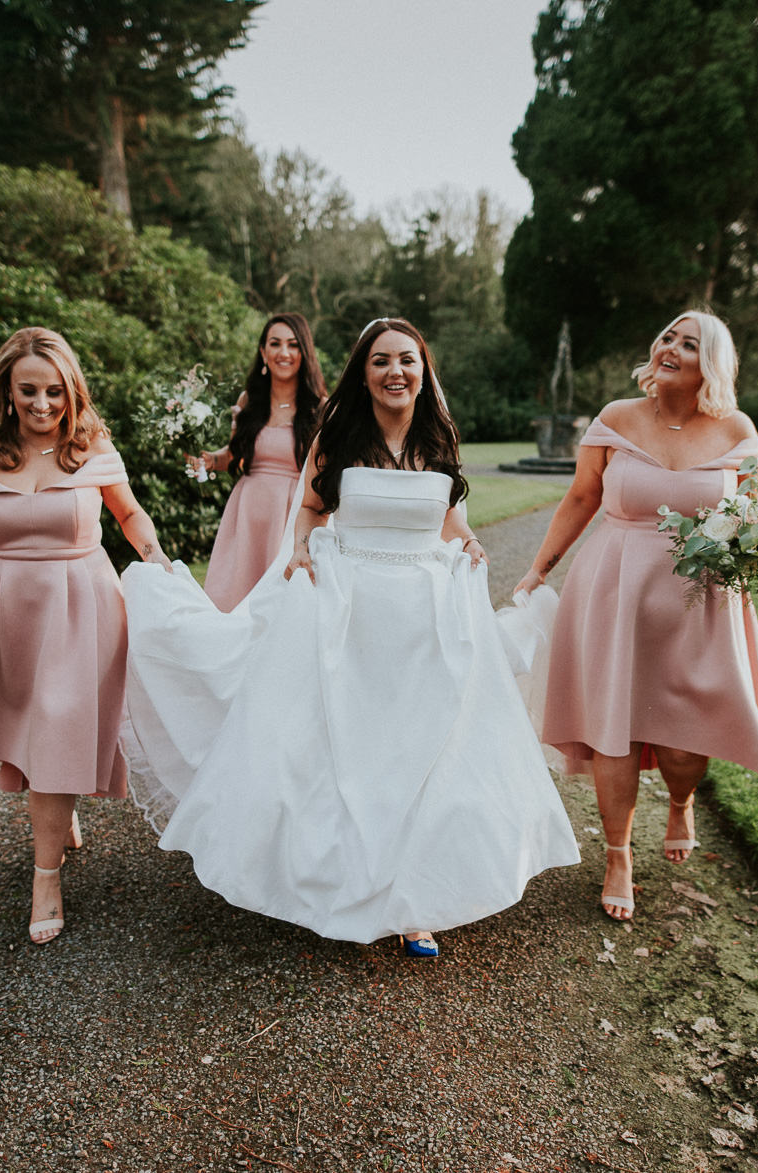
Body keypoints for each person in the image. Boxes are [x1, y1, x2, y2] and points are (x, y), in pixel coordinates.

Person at [121, 318, 578, 957]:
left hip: (424, 623)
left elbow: (446, 513)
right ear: (363, 373)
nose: (397, 372)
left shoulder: (437, 436)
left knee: (421, 751)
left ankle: (416, 900)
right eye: (382, 361)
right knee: (349, 750)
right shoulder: (341, 436)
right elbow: (310, 509)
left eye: (408, 361)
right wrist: (305, 547)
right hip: (352, 613)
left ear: (424, 371)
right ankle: (334, 884)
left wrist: (469, 541)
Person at [0, 327, 172, 945]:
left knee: (55, 722)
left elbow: (128, 513)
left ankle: (46, 876)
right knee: (29, 727)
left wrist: (156, 558)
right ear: (7, 389)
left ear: (71, 390)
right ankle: (58, 813)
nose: (42, 405)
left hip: (80, 606)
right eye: (28, 391)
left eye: (54, 391)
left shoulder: (89, 442)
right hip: (4, 607)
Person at [513, 310, 758, 923]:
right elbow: (582, 495)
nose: (671, 347)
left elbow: (749, 513)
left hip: (699, 598)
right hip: (616, 588)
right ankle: (617, 856)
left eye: (689, 344)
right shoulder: (615, 419)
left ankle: (682, 801)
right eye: (667, 336)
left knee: (685, 740)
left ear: (709, 364)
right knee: (614, 724)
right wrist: (539, 569)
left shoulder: (735, 429)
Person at [188, 313, 328, 610]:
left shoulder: (320, 408)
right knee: (236, 601)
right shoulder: (248, 401)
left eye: (293, 345)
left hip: (291, 514)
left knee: (283, 604)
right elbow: (237, 457)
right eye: (275, 344)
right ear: (263, 352)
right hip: (248, 511)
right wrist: (212, 460)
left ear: (304, 352)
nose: (284, 353)